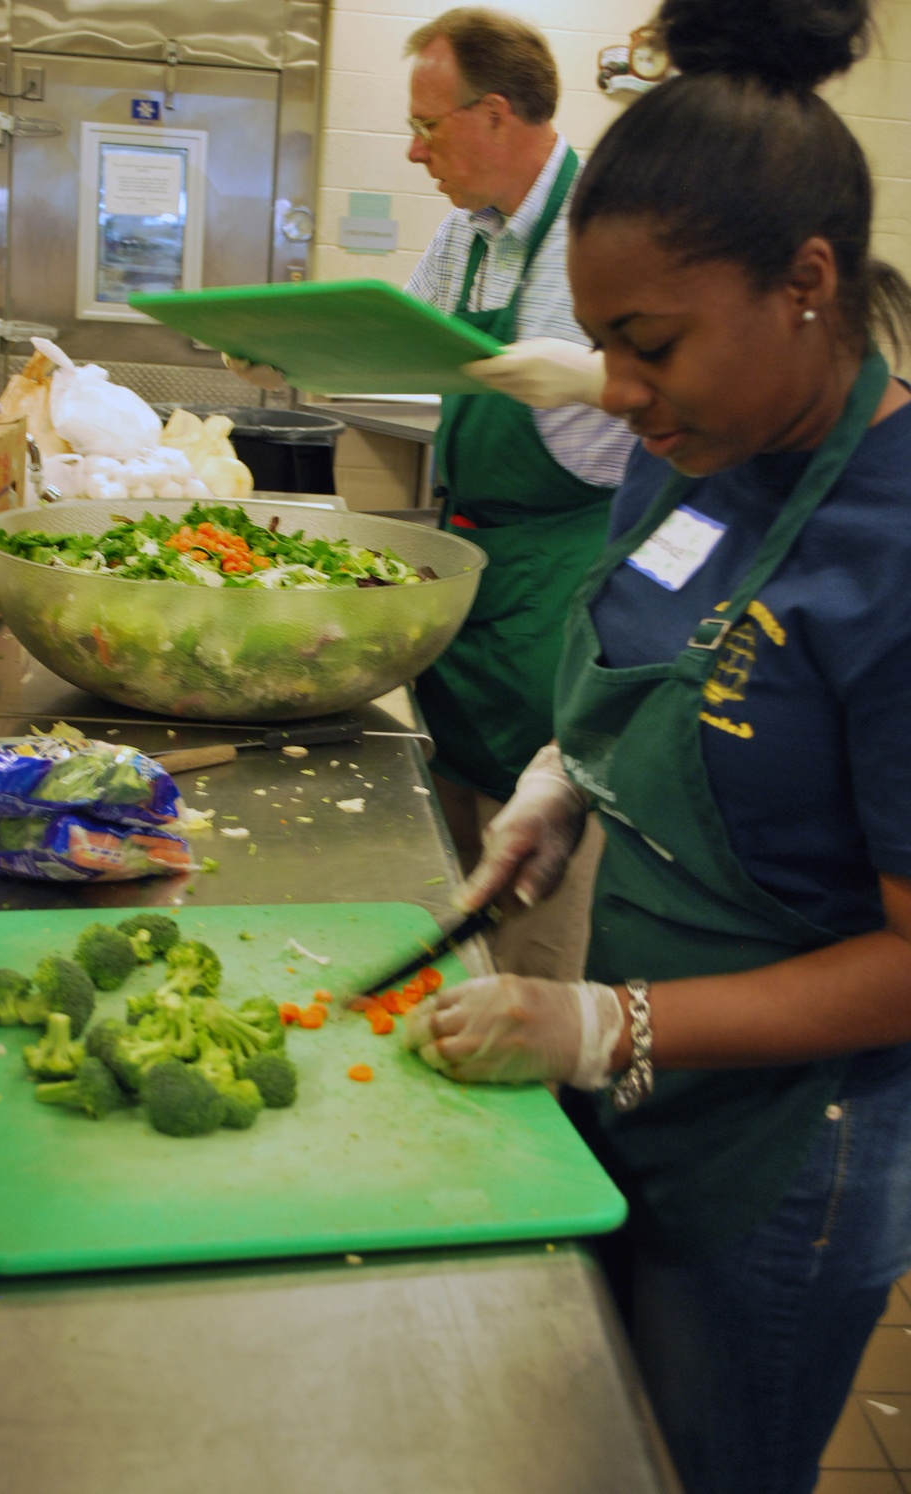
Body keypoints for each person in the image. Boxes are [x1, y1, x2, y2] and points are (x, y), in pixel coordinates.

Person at [404, 2, 911, 1491]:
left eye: (650, 345)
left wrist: (604, 1025)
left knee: (707, 1459)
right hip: (650, 1081)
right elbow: (652, 651)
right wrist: (566, 781)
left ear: (807, 284)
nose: (618, 395)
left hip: (787, 1146)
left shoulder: (898, 551)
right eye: (602, 344)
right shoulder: (698, 450)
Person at [402, 8, 632, 979]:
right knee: (448, 887)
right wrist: (292, 357)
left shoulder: (605, 229)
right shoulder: (464, 238)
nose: (416, 155)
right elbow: (400, 343)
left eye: (428, 128)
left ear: (494, 115)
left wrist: (589, 379)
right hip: (471, 594)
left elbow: (688, 408)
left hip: (557, 597)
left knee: (534, 923)